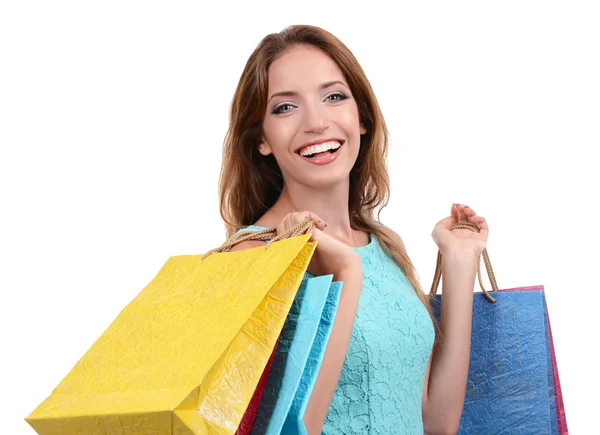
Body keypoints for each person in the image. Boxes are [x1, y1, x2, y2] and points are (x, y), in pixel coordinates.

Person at [218, 24, 488, 435]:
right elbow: (288, 431)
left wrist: (459, 262)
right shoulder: (252, 257)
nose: (315, 122)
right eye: (285, 108)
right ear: (261, 139)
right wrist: (342, 273)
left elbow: (435, 424)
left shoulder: (382, 245)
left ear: (361, 117)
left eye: (333, 97)